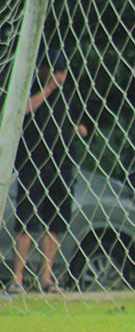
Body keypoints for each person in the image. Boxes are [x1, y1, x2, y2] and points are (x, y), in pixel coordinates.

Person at [7, 48, 88, 294]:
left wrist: (79, 129)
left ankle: (47, 278)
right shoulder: (31, 89)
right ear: (42, 69)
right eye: (54, 70)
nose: (58, 75)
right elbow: (22, 110)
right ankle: (17, 278)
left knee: (55, 223)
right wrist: (49, 88)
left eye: (62, 71)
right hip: (33, 164)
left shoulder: (71, 94)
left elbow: (83, 123)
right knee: (26, 221)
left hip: (61, 166)